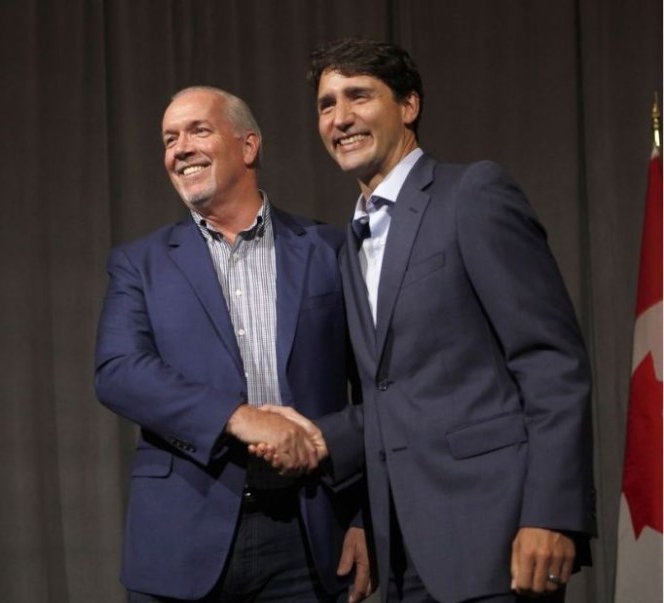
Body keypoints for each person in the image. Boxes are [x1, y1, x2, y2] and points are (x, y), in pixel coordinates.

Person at [253, 38, 595, 603]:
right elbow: (390, 398)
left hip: (500, 540)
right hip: (403, 555)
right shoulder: (348, 245)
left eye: (358, 96)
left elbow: (550, 360)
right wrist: (314, 442)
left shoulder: (472, 194)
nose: (340, 119)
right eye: (326, 104)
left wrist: (551, 514)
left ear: (408, 105)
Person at [94, 85, 370, 602]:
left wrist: (363, 518)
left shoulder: (329, 249)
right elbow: (119, 371)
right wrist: (237, 416)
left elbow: (374, 389)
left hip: (308, 537)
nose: (180, 148)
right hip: (182, 538)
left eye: (198, 130)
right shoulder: (142, 263)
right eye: (169, 138)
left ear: (248, 147)